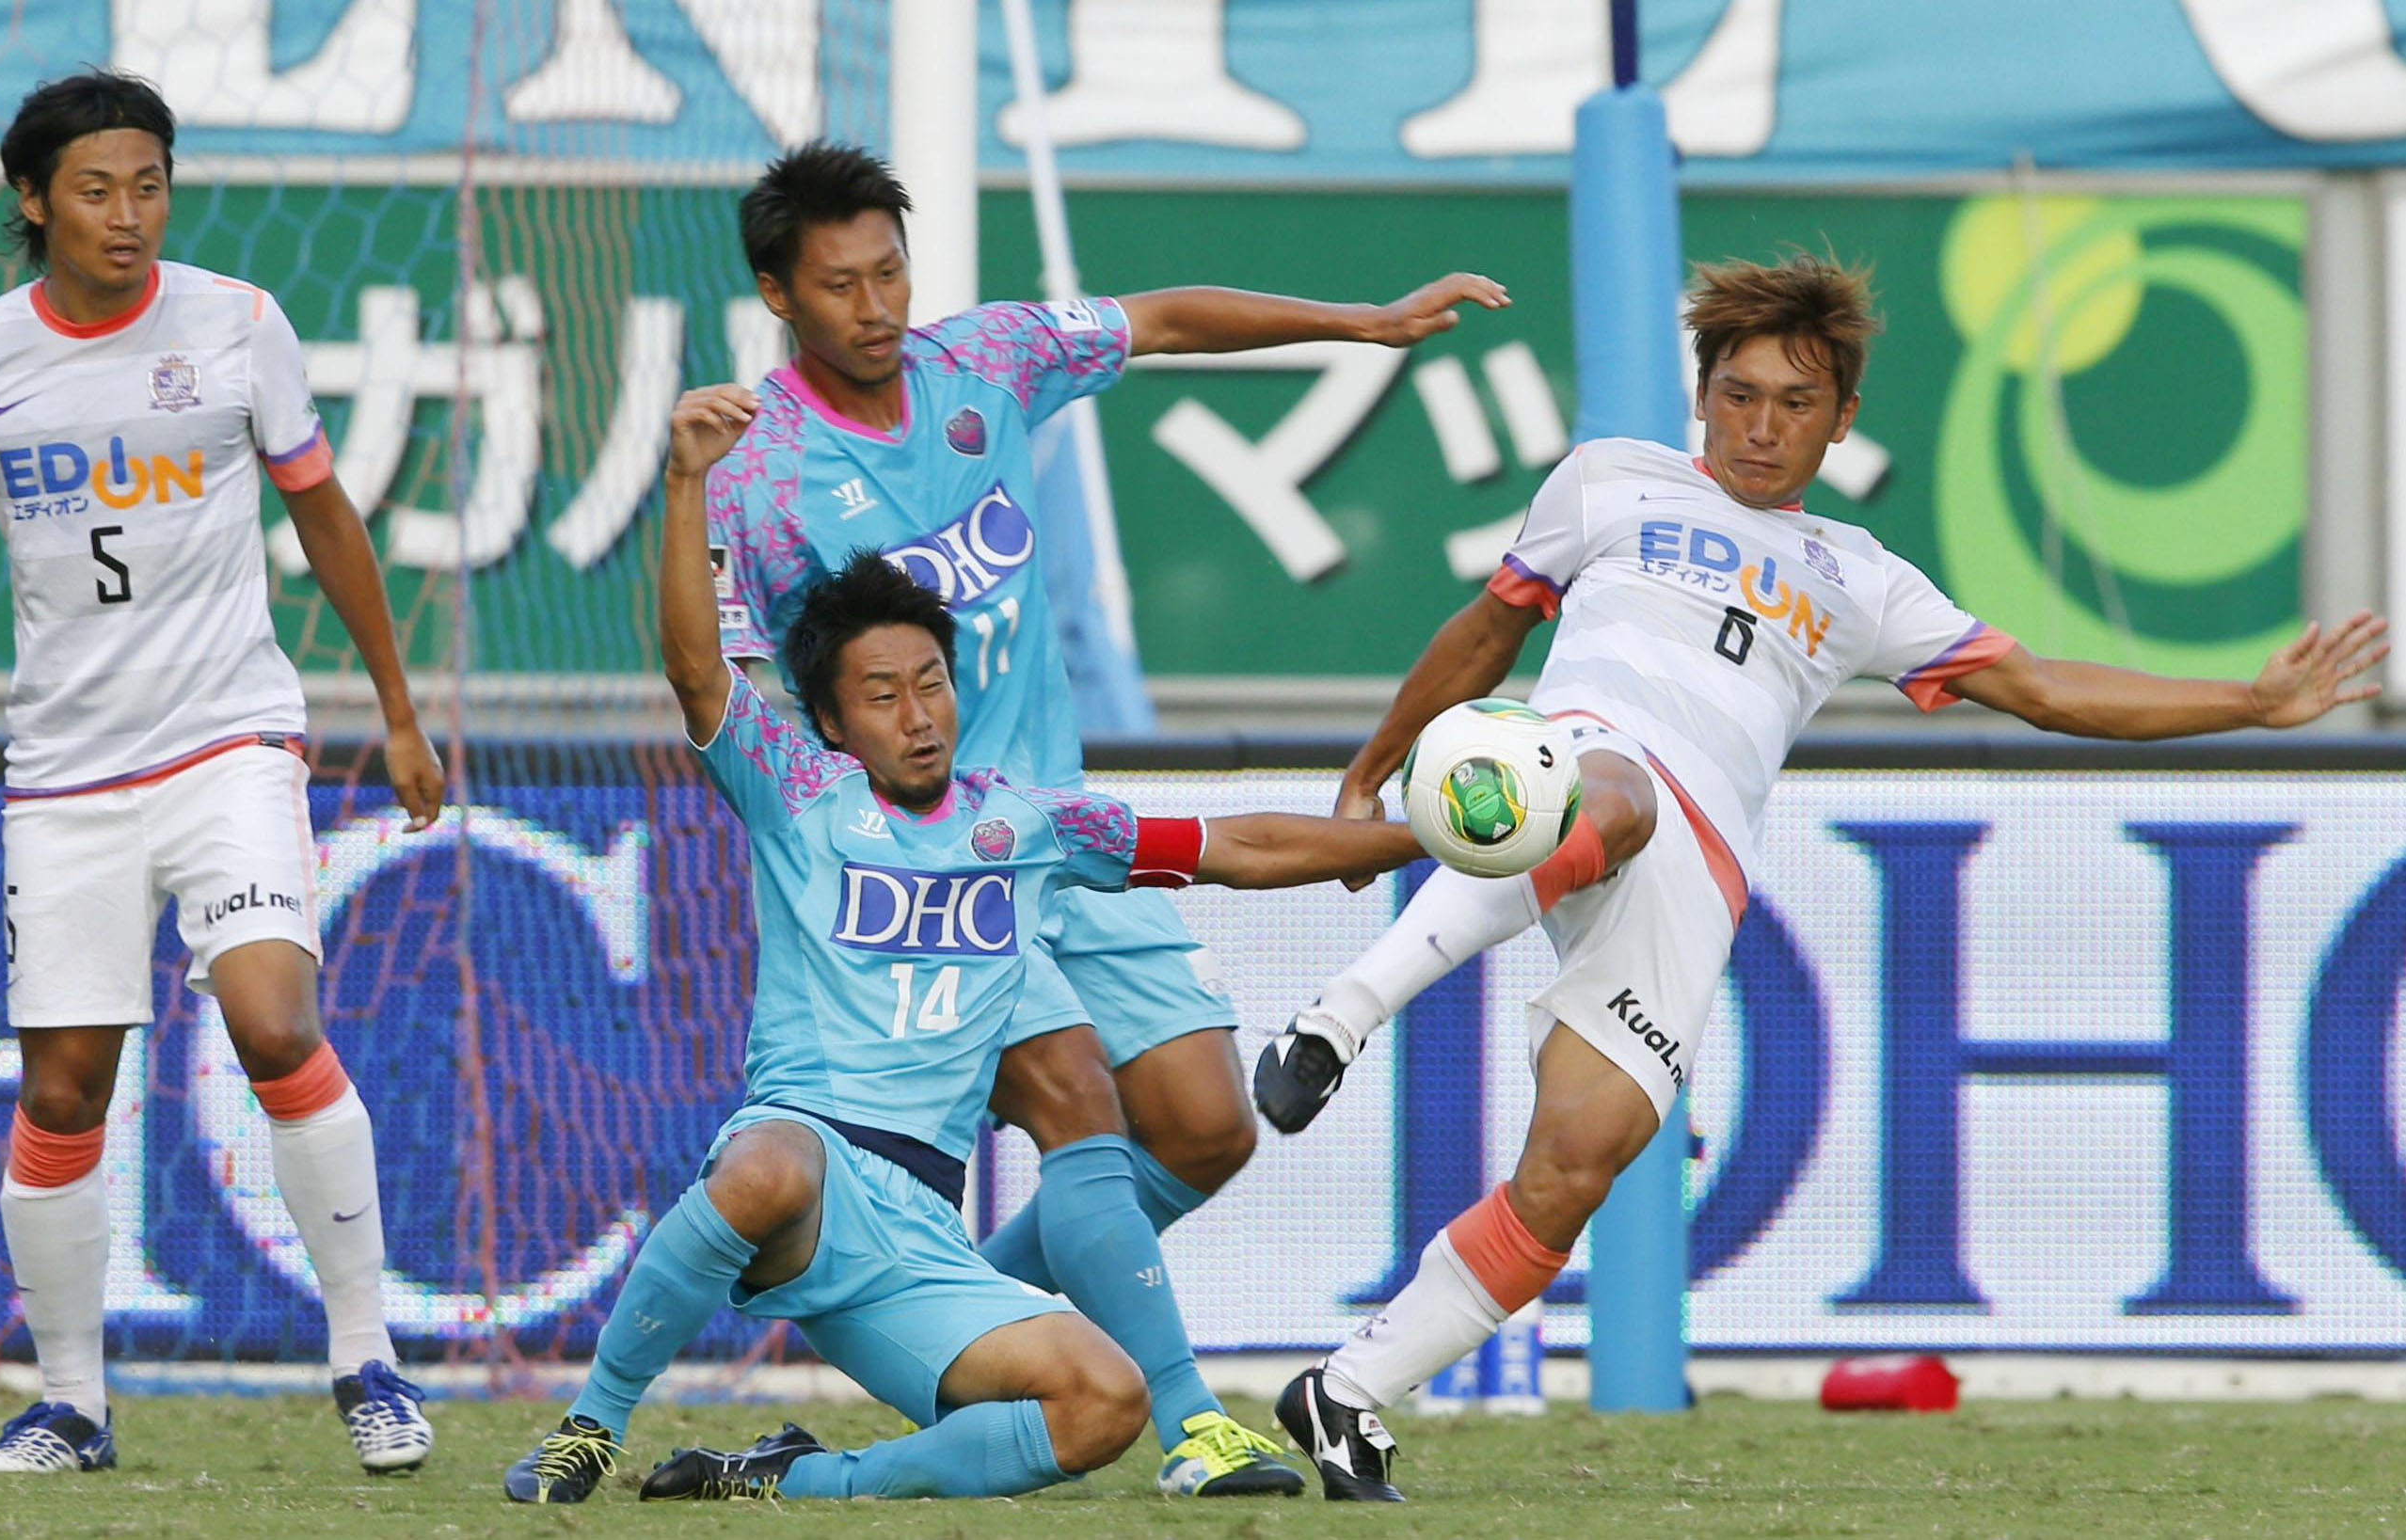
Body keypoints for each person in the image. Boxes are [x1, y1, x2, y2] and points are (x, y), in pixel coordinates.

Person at [1254, 251, 2391, 1500]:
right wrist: (1368, 771)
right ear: (1700, 396)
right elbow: (1487, 630)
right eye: (1739, 394)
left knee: (1577, 1164)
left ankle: (1347, 1392)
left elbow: (2048, 691)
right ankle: (1334, 1020)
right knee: (1612, 799)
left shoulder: (1860, 579)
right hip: (1586, 765)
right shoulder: (1607, 482)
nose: (1761, 426)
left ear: (1842, 419)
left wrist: (2246, 698)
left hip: (1698, 873)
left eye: (1796, 404)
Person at [702, 140, 1508, 1494]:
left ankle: (962, 1335)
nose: (877, 305)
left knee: (1201, 1128)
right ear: (780, 297)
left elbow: (1168, 317)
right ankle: (1192, 1425)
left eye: (891, 270)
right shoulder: (756, 474)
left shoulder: (989, 362)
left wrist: (1363, 326)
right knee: (1078, 1100)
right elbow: (720, 677)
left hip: (1059, 831)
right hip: (931, 866)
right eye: (840, 285)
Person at [502, 382, 1426, 1505]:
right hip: (805, 1171)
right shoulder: (796, 794)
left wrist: (1402, 835)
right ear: (833, 721)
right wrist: (688, 481)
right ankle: (589, 1427)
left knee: (1105, 1401)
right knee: (769, 1162)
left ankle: (790, 1481)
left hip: (921, 1234)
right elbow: (699, 671)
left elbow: (1229, 839)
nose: (918, 713)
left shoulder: (1028, 822)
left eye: (930, 683)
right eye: (881, 695)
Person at [0, 70, 446, 1476]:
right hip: (65, 776)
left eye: (150, 184)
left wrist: (398, 707)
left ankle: (366, 1359)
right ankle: (72, 1401)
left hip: (229, 739)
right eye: (99, 189)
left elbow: (324, 508)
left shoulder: (239, 324)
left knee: (274, 1022)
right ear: (34, 201)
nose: (130, 216)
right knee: (64, 1092)